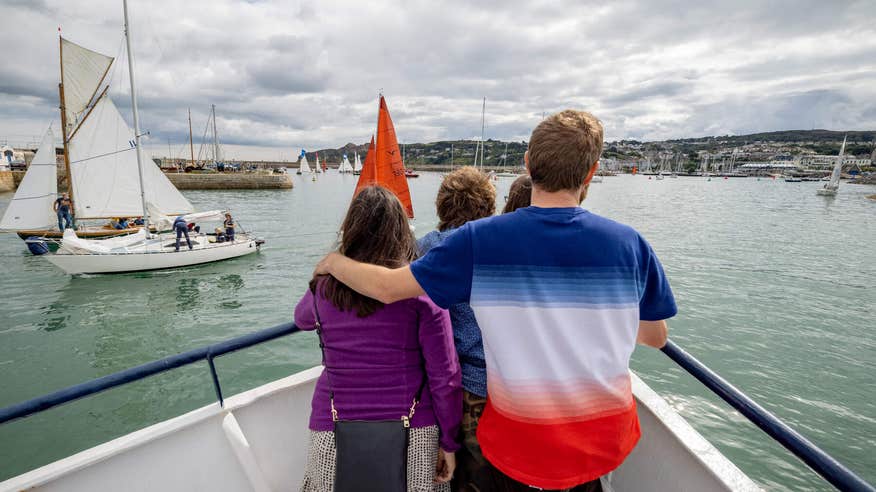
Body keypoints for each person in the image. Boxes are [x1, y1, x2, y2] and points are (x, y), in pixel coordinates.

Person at [315, 110, 675, 491]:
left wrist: (334, 262)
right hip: (601, 436)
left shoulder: (481, 241)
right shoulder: (630, 244)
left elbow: (387, 287)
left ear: (528, 164)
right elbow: (655, 336)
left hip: (520, 439)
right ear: (591, 172)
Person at [296, 186, 462, 491]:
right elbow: (445, 377)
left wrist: (329, 267)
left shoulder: (322, 289)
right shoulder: (422, 295)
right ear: (400, 232)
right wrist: (449, 443)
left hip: (331, 429)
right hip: (414, 432)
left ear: (351, 230)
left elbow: (302, 319)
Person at [416, 166, 495, 490]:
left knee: (444, 472)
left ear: (442, 205)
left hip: (439, 382)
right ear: (488, 208)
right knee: (482, 473)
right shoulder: (497, 247)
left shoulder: (425, 248)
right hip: (490, 383)